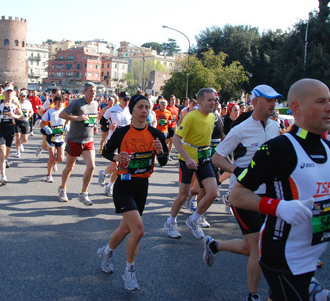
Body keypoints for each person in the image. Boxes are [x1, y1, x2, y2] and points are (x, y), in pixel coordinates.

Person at [228, 78, 330, 301]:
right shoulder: (278, 148)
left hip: (313, 253)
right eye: (321, 101)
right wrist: (278, 207)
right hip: (283, 255)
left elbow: (324, 197)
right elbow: (236, 195)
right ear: (297, 108)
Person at [203, 84, 282, 301]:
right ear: (256, 102)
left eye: (275, 100)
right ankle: (253, 295)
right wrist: (239, 171)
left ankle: (214, 245)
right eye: (269, 100)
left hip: (269, 194)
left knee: (250, 248)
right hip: (243, 194)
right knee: (257, 248)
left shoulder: (276, 126)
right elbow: (217, 157)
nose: (273, 104)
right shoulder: (240, 129)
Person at [97, 94, 169, 291]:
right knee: (138, 229)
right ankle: (129, 271)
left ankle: (106, 251)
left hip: (142, 186)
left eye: (147, 107)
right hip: (124, 185)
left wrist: (160, 152)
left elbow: (163, 161)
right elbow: (105, 151)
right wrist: (116, 156)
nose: (144, 111)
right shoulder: (122, 132)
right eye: (140, 107)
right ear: (132, 111)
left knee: (126, 229)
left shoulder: (156, 134)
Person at [163, 88, 218, 240]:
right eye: (209, 100)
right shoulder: (191, 117)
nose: (213, 103)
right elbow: (176, 139)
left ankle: (193, 220)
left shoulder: (213, 117)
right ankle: (171, 221)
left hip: (204, 159)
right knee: (183, 195)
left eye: (214, 100)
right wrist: (187, 158)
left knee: (213, 192)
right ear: (200, 102)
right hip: (188, 160)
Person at [57, 82, 98, 205]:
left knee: (91, 166)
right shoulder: (76, 103)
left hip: (88, 140)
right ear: (84, 91)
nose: (93, 93)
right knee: (70, 167)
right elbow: (62, 114)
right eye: (91, 91)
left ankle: (83, 193)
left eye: (95, 91)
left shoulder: (95, 104)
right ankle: (62, 188)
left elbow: (92, 117)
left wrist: (94, 125)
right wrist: (77, 118)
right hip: (74, 139)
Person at [98, 92, 132, 196]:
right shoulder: (112, 109)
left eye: (128, 100)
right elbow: (102, 121)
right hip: (113, 140)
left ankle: (109, 186)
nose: (126, 102)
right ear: (120, 99)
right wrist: (109, 126)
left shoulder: (130, 111)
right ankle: (103, 173)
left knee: (121, 168)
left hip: (125, 142)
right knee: (115, 168)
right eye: (124, 99)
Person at [0, 84, 25, 185]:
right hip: (1, 128)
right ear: (4, 93)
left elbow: (22, 117)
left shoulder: (15, 104)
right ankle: (3, 176)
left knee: (6, 154)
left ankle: (1, 162)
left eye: (11, 92)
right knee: (2, 149)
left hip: (11, 128)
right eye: (8, 92)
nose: (10, 94)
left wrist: (14, 115)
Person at [40, 94, 69, 182]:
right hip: (51, 137)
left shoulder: (65, 111)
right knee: (52, 157)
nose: (60, 104)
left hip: (61, 138)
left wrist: (67, 125)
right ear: (55, 102)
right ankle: (49, 174)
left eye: (62, 102)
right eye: (58, 102)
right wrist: (45, 128)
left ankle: (54, 163)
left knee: (61, 158)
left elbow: (68, 120)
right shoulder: (49, 112)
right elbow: (41, 123)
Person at [15, 90, 33, 158]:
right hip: (18, 121)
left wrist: (30, 114)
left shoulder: (28, 103)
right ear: (19, 96)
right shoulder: (17, 103)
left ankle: (20, 143)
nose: (23, 98)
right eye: (22, 96)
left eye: (24, 96)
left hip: (25, 121)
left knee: (25, 139)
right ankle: (18, 152)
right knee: (18, 137)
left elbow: (32, 111)